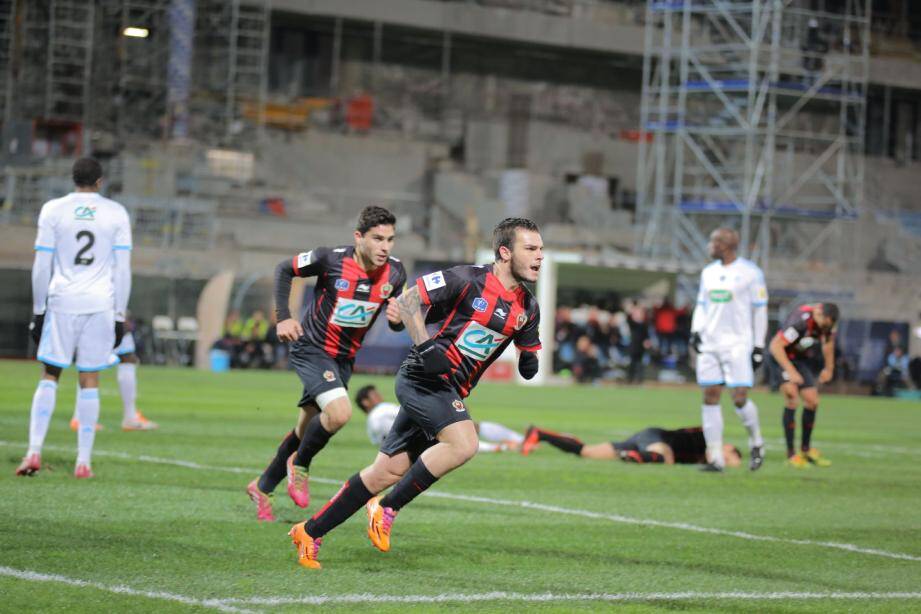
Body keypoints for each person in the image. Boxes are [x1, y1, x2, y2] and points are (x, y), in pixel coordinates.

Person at [288, 217, 543, 569]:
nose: (539, 256)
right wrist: (425, 347)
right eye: (530, 248)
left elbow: (528, 354)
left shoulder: (528, 308)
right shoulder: (466, 279)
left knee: (384, 473)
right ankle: (387, 508)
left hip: (450, 389)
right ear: (504, 252)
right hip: (421, 378)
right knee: (464, 443)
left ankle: (309, 532)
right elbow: (408, 302)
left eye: (541, 249)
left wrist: (529, 360)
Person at [246, 206, 407, 521]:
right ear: (358, 237)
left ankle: (262, 486)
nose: (385, 247)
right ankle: (301, 464)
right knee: (340, 413)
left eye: (390, 239)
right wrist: (284, 318)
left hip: (344, 358)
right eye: (377, 239)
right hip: (312, 349)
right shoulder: (329, 259)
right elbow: (284, 269)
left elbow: (399, 318)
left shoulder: (397, 273)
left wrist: (399, 320)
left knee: (304, 428)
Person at [15, 157, 132, 479]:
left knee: (50, 374)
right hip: (99, 304)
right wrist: (119, 314)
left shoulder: (53, 209)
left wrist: (39, 310)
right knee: (90, 378)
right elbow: (122, 270)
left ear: (73, 179)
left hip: (62, 302)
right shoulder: (115, 213)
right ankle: (83, 462)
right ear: (100, 181)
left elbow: (42, 264)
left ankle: (33, 451)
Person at [690, 228, 768, 472]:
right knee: (710, 395)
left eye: (713, 242)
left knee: (739, 398)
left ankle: (757, 443)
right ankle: (715, 457)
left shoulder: (750, 273)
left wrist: (758, 345)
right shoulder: (708, 273)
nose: (709, 246)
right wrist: (695, 331)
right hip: (710, 342)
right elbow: (701, 305)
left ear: (726, 245)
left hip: (737, 343)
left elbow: (760, 310)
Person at [769, 302, 839, 468]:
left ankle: (806, 450)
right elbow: (775, 346)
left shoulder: (826, 322)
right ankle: (791, 454)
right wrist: (790, 371)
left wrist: (829, 368)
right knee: (792, 398)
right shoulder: (800, 321)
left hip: (799, 359)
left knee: (812, 401)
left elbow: (828, 343)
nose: (824, 328)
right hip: (781, 358)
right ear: (818, 313)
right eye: (823, 325)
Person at [355, 384, 524, 452]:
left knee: (454, 439)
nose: (379, 397)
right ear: (366, 402)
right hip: (420, 435)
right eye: (374, 395)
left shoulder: (370, 425)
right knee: (464, 431)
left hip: (405, 448)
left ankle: (501, 446)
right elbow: (408, 411)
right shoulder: (382, 410)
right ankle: (514, 441)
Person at [68, 320, 158, 432]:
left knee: (127, 357)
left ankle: (130, 416)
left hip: (105, 313)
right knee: (91, 362)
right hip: (102, 313)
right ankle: (81, 417)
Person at [520, 425, 742, 467]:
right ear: (728, 447)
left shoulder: (704, 460)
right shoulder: (710, 436)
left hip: (645, 442)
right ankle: (635, 456)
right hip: (655, 438)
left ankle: (541, 434)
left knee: (587, 452)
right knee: (666, 457)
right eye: (731, 459)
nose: (729, 464)